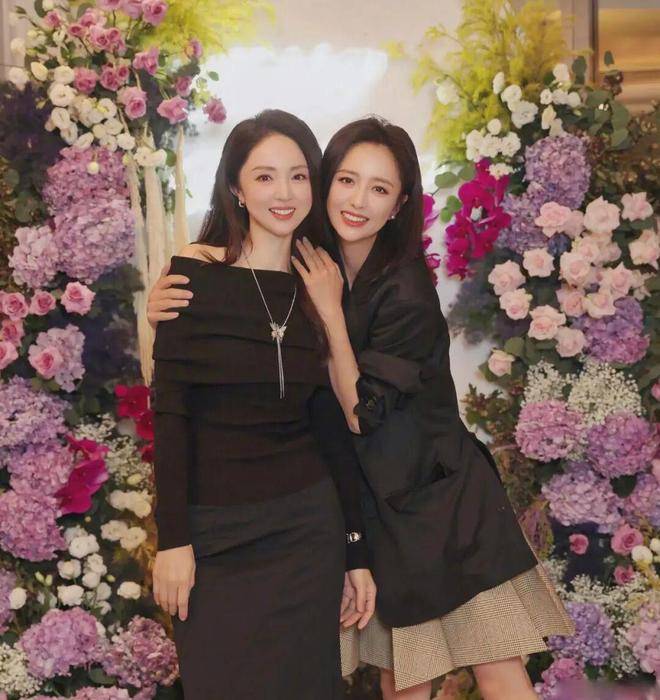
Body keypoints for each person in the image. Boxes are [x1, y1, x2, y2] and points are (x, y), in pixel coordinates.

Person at [148, 116, 574, 700]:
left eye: (379, 188)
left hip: (435, 501)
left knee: (492, 664)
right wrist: (166, 304)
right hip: (368, 503)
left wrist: (327, 312)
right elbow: (199, 381)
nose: (357, 201)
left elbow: (356, 413)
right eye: (346, 181)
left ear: (400, 205)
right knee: (403, 674)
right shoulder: (312, 262)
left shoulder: (401, 290)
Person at [150, 109, 375, 700]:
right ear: (236, 188)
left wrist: (354, 548)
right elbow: (170, 415)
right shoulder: (192, 275)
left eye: (298, 176)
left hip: (306, 531)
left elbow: (332, 428)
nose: (284, 193)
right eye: (265, 177)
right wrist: (172, 540)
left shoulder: (320, 280)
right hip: (213, 537)